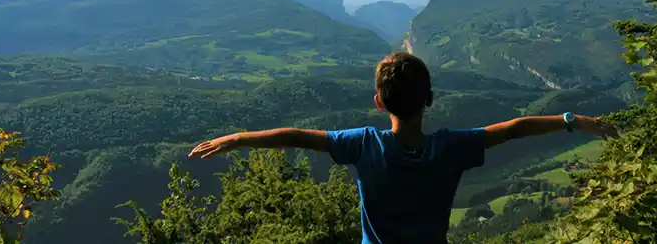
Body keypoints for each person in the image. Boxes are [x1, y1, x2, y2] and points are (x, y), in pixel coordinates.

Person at [188, 51, 619, 243]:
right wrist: (570, 120)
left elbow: (296, 136)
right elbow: (513, 129)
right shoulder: (450, 149)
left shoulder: (363, 145)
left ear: (378, 102)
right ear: (430, 100)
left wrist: (237, 139)